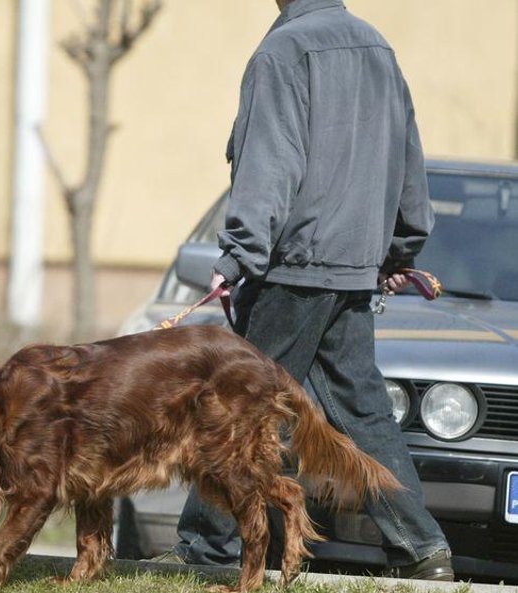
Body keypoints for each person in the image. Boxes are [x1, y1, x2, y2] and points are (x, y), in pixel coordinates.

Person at [165, 0, 454, 581]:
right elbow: (408, 161)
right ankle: (424, 549)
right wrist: (398, 249)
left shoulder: (283, 50)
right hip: (349, 271)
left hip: (292, 271)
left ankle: (208, 550)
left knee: (238, 407)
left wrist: (240, 254)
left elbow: (270, 164)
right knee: (362, 414)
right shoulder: (378, 48)